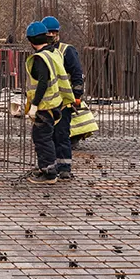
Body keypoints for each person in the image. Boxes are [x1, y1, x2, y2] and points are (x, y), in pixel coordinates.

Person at [21, 19, 73, 183]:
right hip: (57, 103)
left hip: (46, 105)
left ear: (31, 40)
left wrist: (35, 105)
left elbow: (43, 82)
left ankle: (49, 172)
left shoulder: (40, 58)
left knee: (42, 138)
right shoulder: (53, 53)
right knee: (46, 137)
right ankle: (49, 168)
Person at [34, 16, 84, 177]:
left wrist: (77, 95)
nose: (51, 36)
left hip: (63, 101)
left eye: (53, 33)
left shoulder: (66, 50)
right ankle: (51, 166)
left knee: (61, 134)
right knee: (47, 136)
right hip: (47, 102)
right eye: (48, 33)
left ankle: (64, 168)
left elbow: (77, 74)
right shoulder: (42, 52)